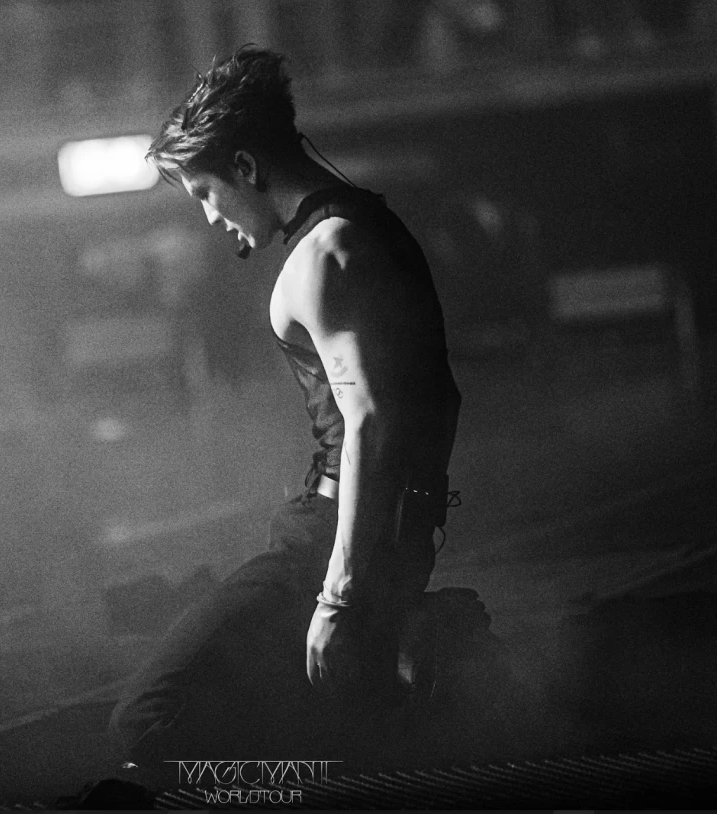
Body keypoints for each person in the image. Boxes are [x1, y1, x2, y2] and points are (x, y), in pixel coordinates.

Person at [106, 46, 463, 785]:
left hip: (334, 541)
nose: (210, 217)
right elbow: (430, 403)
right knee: (310, 719)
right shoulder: (368, 225)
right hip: (387, 532)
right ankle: (394, 677)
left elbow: (372, 425)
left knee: (149, 719)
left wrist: (341, 596)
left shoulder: (326, 254)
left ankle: (416, 664)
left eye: (206, 192)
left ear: (245, 166)